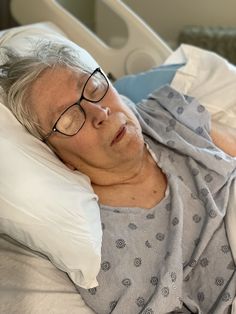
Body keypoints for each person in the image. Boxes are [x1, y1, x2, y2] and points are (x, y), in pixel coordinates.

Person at [0, 40, 235, 314]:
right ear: (56, 154)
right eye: (68, 119)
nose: (99, 112)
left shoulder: (167, 114)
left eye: (92, 88)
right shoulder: (105, 255)